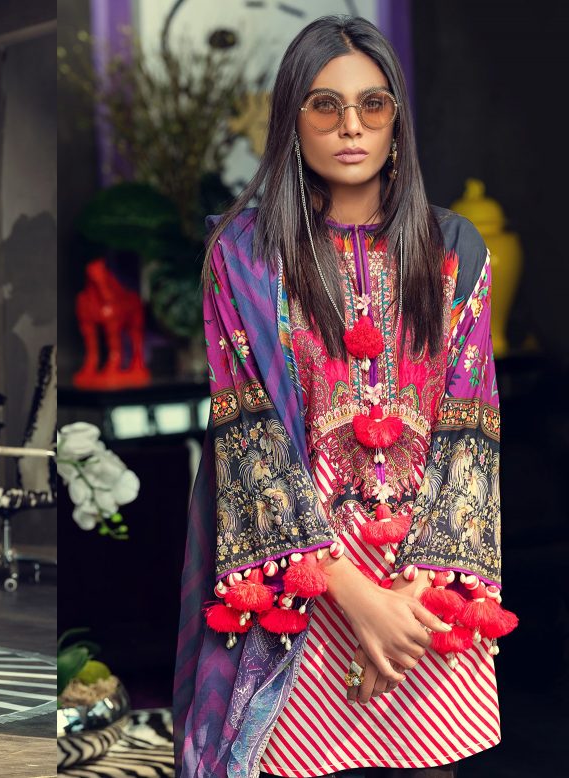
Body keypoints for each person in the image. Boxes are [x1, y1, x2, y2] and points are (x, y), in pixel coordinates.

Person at [174, 15, 517, 778]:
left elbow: (470, 428)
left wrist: (409, 605)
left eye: (373, 104)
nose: (351, 126)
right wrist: (358, 600)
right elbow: (250, 438)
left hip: (426, 582)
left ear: (397, 122)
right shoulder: (246, 256)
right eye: (325, 106)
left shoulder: (453, 248)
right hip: (307, 589)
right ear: (292, 122)